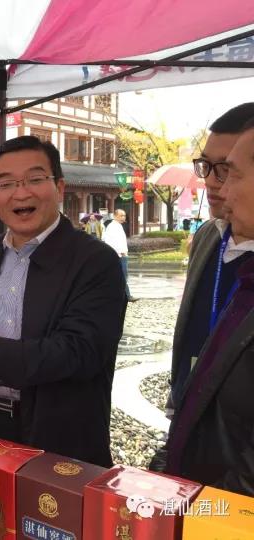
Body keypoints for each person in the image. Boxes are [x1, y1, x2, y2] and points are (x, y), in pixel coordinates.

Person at [0, 136, 126, 467]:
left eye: (35, 179)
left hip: (62, 439)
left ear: (59, 187)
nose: (21, 193)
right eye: (6, 183)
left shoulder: (96, 261)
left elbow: (84, 350)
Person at [162, 122, 254, 495]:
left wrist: (206, 509)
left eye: (228, 171)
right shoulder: (207, 236)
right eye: (207, 166)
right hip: (192, 423)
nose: (215, 184)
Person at [102, 209, 134, 301]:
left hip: (122, 254)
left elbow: (121, 241)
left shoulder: (118, 226)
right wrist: (121, 252)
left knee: (122, 276)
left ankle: (123, 295)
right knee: (122, 276)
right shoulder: (112, 227)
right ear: (115, 216)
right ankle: (126, 296)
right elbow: (110, 242)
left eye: (124, 215)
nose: (123, 217)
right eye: (121, 216)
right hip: (118, 255)